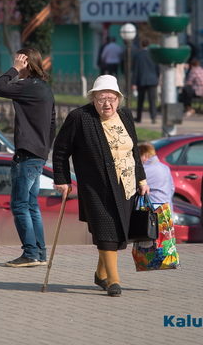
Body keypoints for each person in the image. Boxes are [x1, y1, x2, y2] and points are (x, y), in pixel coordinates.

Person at [52, 75, 149, 296]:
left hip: (126, 184)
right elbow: (60, 150)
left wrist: (142, 179)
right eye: (101, 98)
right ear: (93, 99)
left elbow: (134, 150)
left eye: (111, 98)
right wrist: (62, 179)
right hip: (96, 187)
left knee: (118, 232)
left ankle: (100, 274)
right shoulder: (79, 118)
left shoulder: (125, 115)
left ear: (119, 99)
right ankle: (113, 280)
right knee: (106, 230)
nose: (107, 103)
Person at [0, 48, 56, 268]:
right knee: (31, 205)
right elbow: (53, 123)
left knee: (19, 205)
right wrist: (45, 149)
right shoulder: (45, 88)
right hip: (38, 153)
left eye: (19, 61)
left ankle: (30, 253)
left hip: (27, 154)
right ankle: (40, 252)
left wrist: (14, 69)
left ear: (27, 63)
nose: (16, 64)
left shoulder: (28, 86)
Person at [138, 142, 175, 211]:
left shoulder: (144, 170)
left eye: (139, 156)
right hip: (167, 208)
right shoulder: (165, 167)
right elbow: (172, 188)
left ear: (145, 156)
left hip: (153, 209)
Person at [132, 39, 160, 124]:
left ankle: (139, 118)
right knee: (152, 100)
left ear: (141, 44)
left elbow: (135, 70)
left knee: (140, 100)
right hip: (152, 80)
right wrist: (156, 78)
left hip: (141, 80)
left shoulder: (138, 55)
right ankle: (153, 117)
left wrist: (133, 82)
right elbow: (157, 69)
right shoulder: (153, 55)